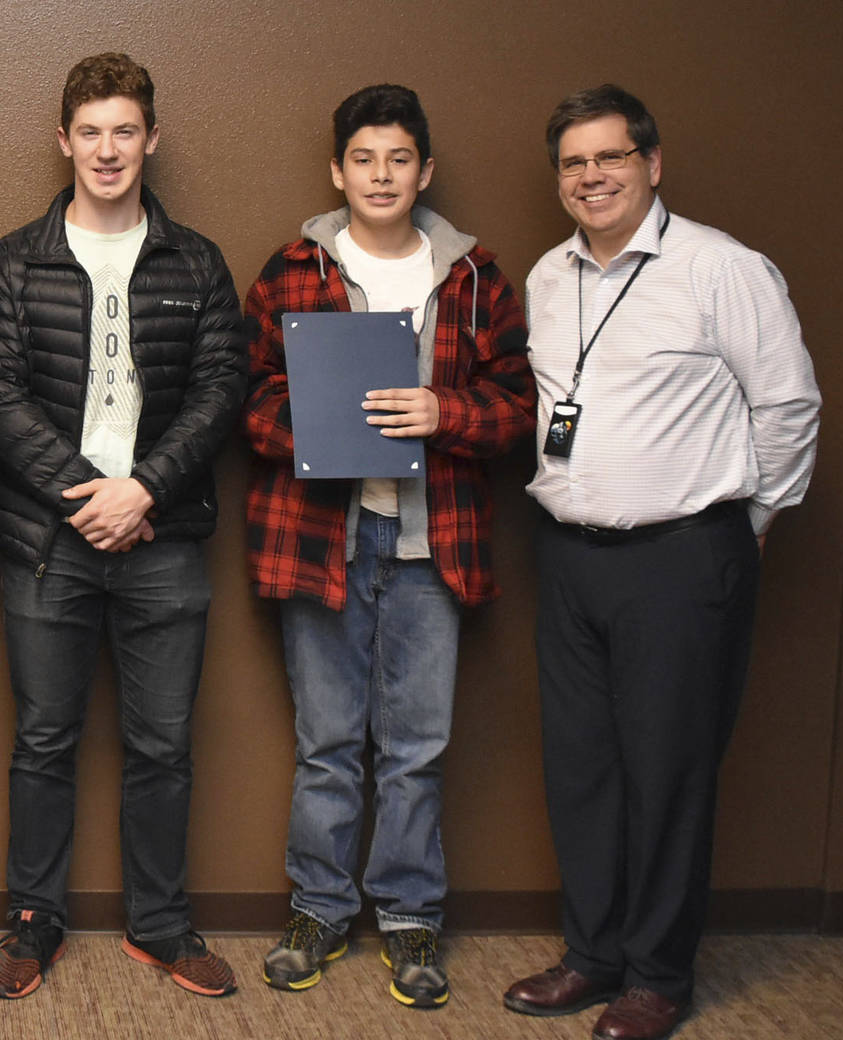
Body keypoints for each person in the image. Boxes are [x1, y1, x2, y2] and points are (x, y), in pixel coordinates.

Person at [500, 85, 819, 1040]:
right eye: (573, 163)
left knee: (669, 772)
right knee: (583, 772)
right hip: (569, 557)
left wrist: (746, 515)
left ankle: (657, 977)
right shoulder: (550, 276)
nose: (591, 176)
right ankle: (593, 957)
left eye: (611, 158)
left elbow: (789, 408)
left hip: (682, 560)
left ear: (652, 163)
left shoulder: (720, 268)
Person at [240, 84, 535, 1009]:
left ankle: (410, 920)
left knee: (417, 744)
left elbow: (520, 408)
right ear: (338, 170)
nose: (380, 175)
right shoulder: (292, 271)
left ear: (425, 171)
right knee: (328, 742)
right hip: (323, 535)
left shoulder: (477, 277)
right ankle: (319, 909)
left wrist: (443, 412)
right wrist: (321, 429)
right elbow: (249, 404)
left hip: (430, 542)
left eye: (398, 159)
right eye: (363, 159)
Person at [0, 52, 246, 1001]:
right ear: (64, 142)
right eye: (89, 132)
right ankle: (32, 922)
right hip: (49, 542)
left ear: (151, 140)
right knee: (44, 738)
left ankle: (161, 927)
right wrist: (91, 494)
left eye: (124, 130)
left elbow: (221, 392)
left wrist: (146, 493)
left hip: (162, 541)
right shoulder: (16, 260)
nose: (107, 149)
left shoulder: (196, 260)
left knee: (163, 744)